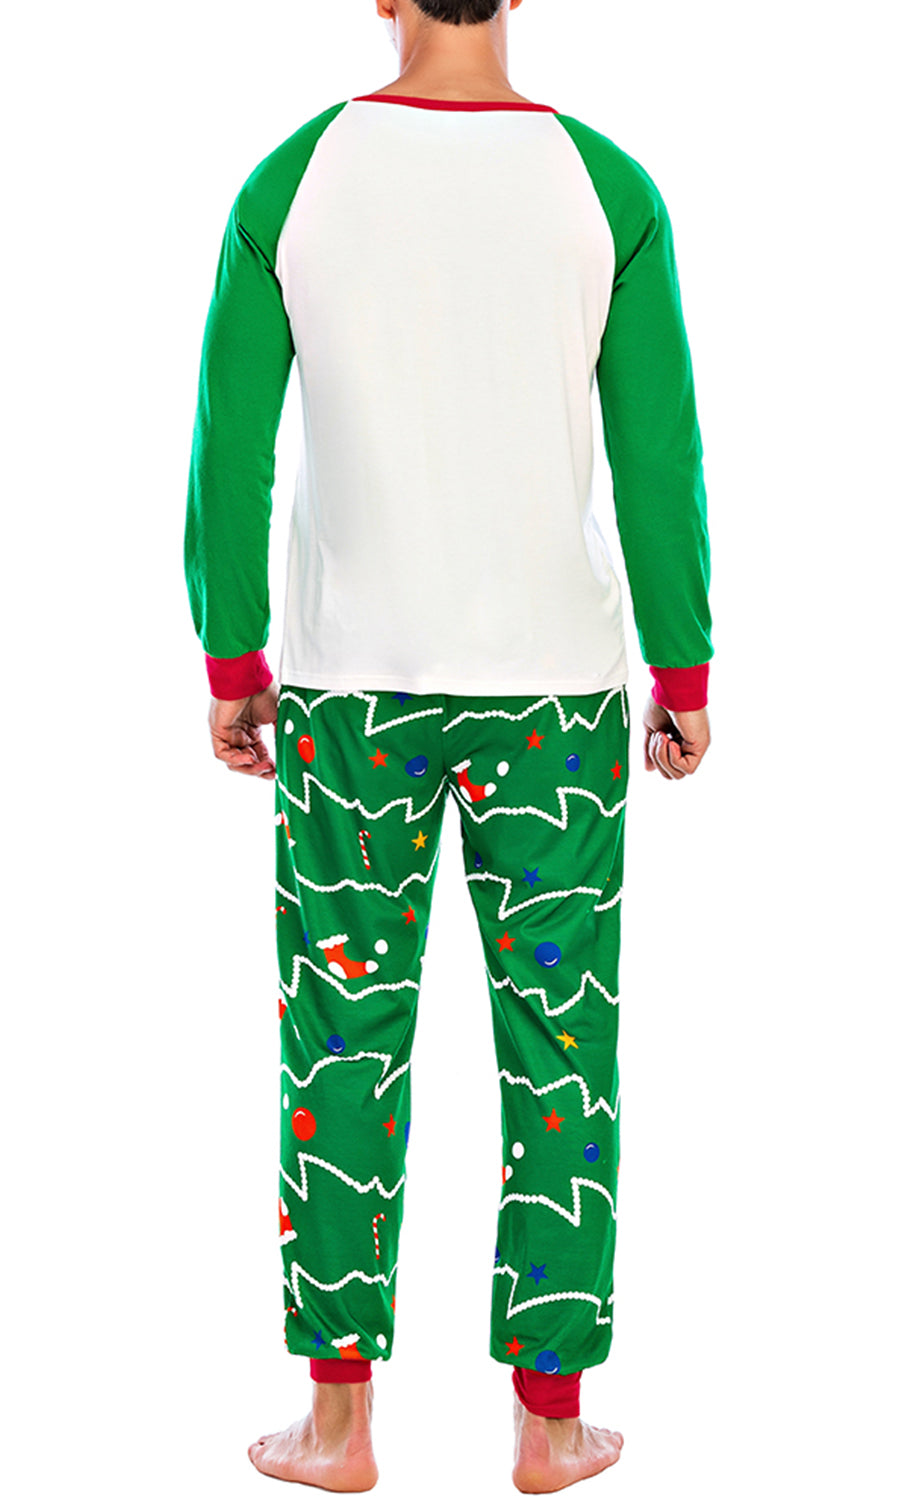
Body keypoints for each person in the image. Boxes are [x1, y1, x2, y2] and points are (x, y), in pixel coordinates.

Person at [183, 0, 713, 1489]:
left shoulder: (292, 183)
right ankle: (548, 1422)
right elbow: (656, 448)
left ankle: (339, 1423)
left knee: (340, 1041)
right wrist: (680, 665)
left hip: (348, 691)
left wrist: (233, 654)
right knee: (563, 1047)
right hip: (557, 699)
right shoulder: (605, 189)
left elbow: (229, 441)